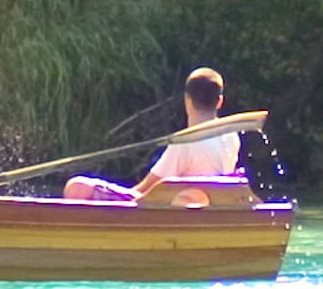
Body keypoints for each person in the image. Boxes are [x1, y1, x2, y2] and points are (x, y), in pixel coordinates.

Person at [62, 67, 250, 204]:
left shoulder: (185, 142)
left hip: (174, 210)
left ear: (187, 100)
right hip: (202, 207)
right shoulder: (231, 137)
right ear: (219, 102)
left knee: (76, 186)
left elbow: (144, 192)